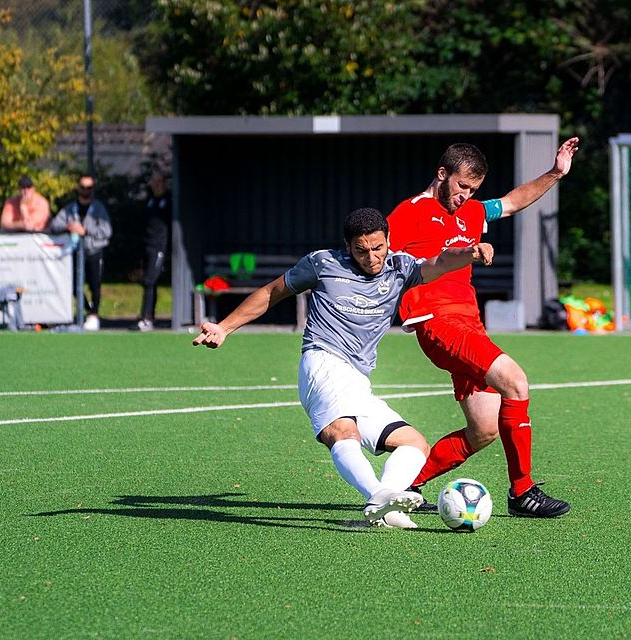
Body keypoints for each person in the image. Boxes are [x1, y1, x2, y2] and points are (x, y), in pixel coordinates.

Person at [192, 207, 495, 529]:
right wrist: (225, 327)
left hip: (357, 378)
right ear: (348, 246)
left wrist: (470, 253)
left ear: (388, 241)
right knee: (342, 432)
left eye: (378, 248)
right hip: (323, 362)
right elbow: (272, 292)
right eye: (362, 250)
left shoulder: (401, 267)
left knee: (413, 444)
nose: (372, 257)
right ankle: (379, 495)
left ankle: (386, 507)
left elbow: (440, 262)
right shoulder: (323, 263)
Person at [387, 137, 579, 518]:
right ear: (442, 174)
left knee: (485, 429)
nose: (466, 196)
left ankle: (403, 489)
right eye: (461, 186)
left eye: (473, 190)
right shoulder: (409, 212)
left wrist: (556, 173)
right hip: (436, 321)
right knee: (516, 381)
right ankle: (522, 492)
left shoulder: (473, 212)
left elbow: (512, 202)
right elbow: (380, 256)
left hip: (470, 325)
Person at [48, 174, 113, 331]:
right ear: (78, 188)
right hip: (76, 253)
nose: (86, 191)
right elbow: (55, 225)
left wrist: (85, 231)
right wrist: (69, 227)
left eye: (89, 188)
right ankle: (86, 309)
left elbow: (106, 231)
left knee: (95, 285)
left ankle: (94, 314)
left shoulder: (98, 209)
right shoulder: (70, 208)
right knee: (74, 284)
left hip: (94, 251)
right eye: (83, 187)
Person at [136, 169, 172, 332]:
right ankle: (148, 315)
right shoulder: (150, 200)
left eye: (158, 182)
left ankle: (146, 318)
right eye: (153, 182)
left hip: (160, 247)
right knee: (149, 282)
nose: (155, 185)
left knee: (150, 280)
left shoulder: (169, 200)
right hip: (147, 246)